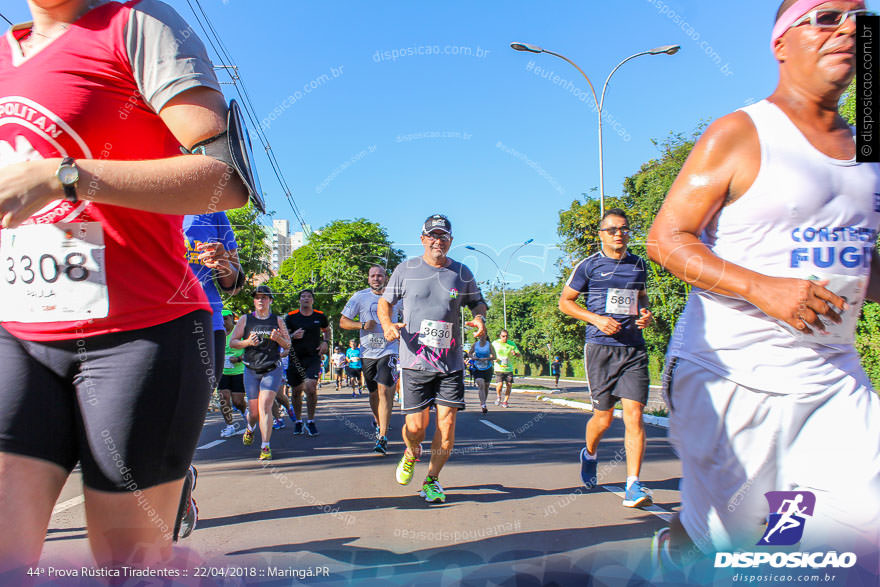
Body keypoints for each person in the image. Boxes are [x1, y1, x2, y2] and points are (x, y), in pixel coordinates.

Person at [0, 0, 250, 570]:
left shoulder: (137, 23)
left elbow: (226, 178)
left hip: (139, 335)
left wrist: (63, 176)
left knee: (127, 568)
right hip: (16, 333)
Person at [645, 0, 880, 568]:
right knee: (768, 548)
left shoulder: (868, 150)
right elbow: (666, 239)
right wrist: (762, 288)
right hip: (732, 375)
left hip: (832, 372)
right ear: (781, 43)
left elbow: (864, 270)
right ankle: (680, 550)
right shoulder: (744, 132)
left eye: (860, 18)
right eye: (827, 17)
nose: (848, 28)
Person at [379, 214, 487, 503]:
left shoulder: (461, 273)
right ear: (422, 239)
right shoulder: (406, 269)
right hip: (414, 361)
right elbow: (384, 302)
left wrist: (479, 318)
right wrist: (388, 325)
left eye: (443, 236)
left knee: (447, 426)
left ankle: (432, 480)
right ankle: (410, 451)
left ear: (451, 240)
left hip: (450, 363)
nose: (438, 240)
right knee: (416, 428)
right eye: (432, 235)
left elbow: (477, 301)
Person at [558, 208, 654, 509]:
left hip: (633, 348)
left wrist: (646, 314)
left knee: (634, 415)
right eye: (612, 229)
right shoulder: (588, 266)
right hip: (600, 348)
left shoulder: (639, 265)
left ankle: (633, 484)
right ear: (601, 234)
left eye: (624, 229)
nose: (619, 234)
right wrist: (597, 320)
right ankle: (589, 453)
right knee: (603, 418)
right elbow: (565, 303)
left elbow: (642, 299)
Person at [340, 265, 402, 455]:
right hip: (367, 353)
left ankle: (382, 436)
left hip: (390, 350)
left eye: (380, 275)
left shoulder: (398, 298)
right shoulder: (360, 297)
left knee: (384, 390)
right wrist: (362, 324)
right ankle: (378, 421)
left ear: (386, 278)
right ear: (368, 279)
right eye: (373, 276)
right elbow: (343, 322)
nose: (376, 279)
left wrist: (401, 328)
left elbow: (409, 318)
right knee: (374, 393)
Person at [229, 286, 291, 461]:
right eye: (257, 298)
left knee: (265, 406)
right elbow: (233, 342)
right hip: (251, 370)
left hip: (272, 369)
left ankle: (265, 446)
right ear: (254, 301)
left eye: (264, 297)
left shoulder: (278, 320)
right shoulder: (245, 319)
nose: (260, 301)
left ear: (271, 300)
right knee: (254, 412)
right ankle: (250, 427)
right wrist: (247, 342)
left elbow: (288, 345)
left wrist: (279, 339)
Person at [284, 289, 330, 436]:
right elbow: (283, 337)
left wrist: (325, 343)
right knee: (296, 392)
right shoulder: (291, 317)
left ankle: (310, 421)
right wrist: (292, 336)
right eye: (303, 296)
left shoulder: (320, 316)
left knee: (310, 388)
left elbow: (326, 330)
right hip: (295, 358)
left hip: (313, 357)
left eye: (309, 296)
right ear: (299, 300)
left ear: (312, 300)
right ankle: (298, 421)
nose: (306, 299)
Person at [219, 310, 248, 438]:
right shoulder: (217, 333)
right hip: (222, 372)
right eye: (221, 319)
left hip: (239, 371)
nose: (223, 321)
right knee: (223, 398)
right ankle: (230, 426)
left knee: (238, 402)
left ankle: (246, 414)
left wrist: (238, 359)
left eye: (226, 318)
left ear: (232, 318)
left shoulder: (240, 331)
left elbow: (250, 350)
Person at [469, 330, 496, 414]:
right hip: (477, 367)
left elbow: (494, 356)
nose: (482, 336)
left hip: (487, 368)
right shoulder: (475, 345)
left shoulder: (489, 345)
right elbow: (470, 353)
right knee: (481, 384)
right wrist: (473, 358)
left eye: (483, 335)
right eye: (480, 335)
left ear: (486, 335)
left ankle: (483, 401)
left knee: (486, 387)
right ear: (478, 336)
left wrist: (487, 359)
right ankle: (483, 405)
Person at [492, 330, 521, 408]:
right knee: (500, 385)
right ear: (500, 336)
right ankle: (498, 397)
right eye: (503, 336)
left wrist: (515, 354)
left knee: (509, 385)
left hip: (509, 368)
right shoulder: (495, 343)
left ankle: (505, 401)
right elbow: (490, 353)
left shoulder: (511, 344)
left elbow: (519, 354)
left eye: (506, 336)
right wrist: (494, 358)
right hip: (499, 368)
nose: (505, 338)